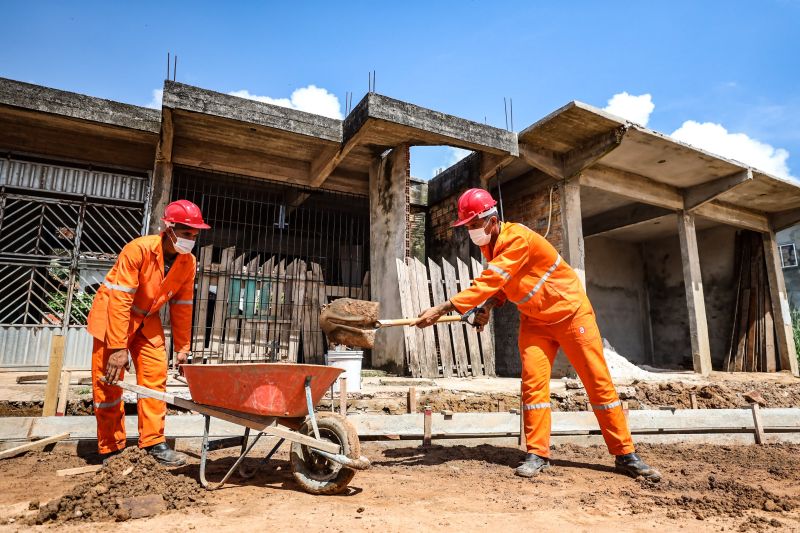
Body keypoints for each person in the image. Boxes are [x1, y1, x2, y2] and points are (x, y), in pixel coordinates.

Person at [416, 188, 661, 481]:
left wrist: (443, 307)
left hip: (570, 314)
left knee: (598, 384)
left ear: (491, 220)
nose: (469, 231)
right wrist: (489, 307)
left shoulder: (517, 237)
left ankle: (625, 455)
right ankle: (537, 453)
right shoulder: (490, 247)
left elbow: (493, 278)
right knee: (533, 387)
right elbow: (507, 285)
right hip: (535, 321)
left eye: (472, 225)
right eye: (466, 226)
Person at [87, 200, 210, 466]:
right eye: (187, 233)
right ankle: (111, 448)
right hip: (113, 318)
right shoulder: (138, 249)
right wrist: (118, 348)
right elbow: (120, 300)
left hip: (146, 320)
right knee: (108, 384)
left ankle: (154, 443)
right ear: (170, 228)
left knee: (155, 378)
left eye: (195, 235)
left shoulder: (188, 262)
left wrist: (183, 347)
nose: (191, 239)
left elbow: (183, 305)